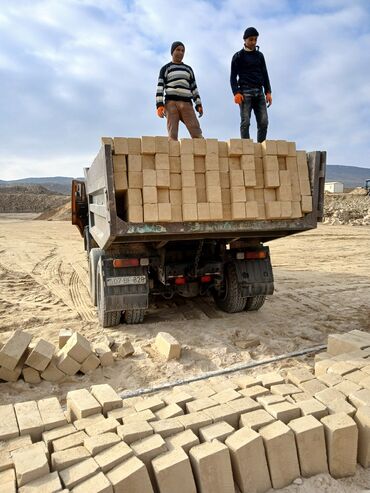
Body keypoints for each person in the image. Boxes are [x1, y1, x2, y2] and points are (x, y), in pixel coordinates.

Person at [230, 27, 272, 142]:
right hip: (245, 92)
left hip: (259, 92)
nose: (253, 42)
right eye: (251, 39)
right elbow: (233, 77)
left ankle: (261, 146)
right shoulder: (238, 57)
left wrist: (268, 92)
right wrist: (236, 93)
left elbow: (265, 74)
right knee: (245, 122)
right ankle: (246, 147)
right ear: (245, 40)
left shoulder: (260, 56)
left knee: (264, 121)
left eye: (255, 40)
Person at [156, 41, 203, 140]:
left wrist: (198, 104)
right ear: (172, 52)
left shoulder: (188, 69)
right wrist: (159, 105)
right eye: (178, 50)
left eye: (183, 51)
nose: (181, 52)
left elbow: (194, 88)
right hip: (171, 104)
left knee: (196, 132)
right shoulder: (165, 69)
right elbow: (160, 87)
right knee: (172, 134)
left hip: (186, 104)